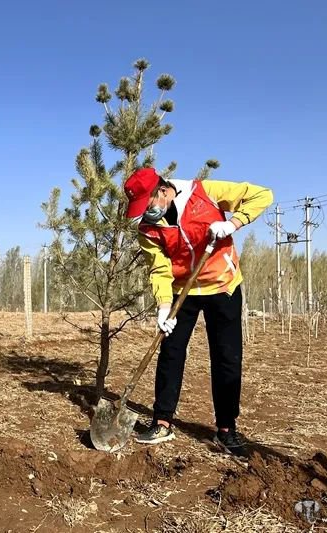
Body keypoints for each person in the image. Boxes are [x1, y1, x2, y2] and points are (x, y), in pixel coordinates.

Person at [124, 167, 272, 457]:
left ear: (164, 190)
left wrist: (234, 223)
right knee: (171, 352)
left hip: (222, 285)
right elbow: (160, 269)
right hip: (183, 290)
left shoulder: (205, 192)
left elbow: (261, 195)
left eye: (148, 205)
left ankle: (226, 428)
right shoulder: (148, 230)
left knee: (226, 357)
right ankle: (162, 421)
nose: (145, 214)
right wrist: (164, 307)